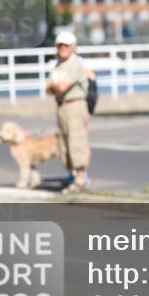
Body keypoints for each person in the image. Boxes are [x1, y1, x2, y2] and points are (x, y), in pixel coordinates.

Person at [45, 31, 95, 194]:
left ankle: (81, 178)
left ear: (73, 47)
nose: (62, 48)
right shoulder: (58, 66)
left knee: (77, 141)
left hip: (75, 105)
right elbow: (49, 89)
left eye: (66, 45)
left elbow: (61, 87)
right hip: (62, 106)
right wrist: (54, 87)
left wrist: (55, 86)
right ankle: (73, 175)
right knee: (64, 144)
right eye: (60, 45)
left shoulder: (76, 64)